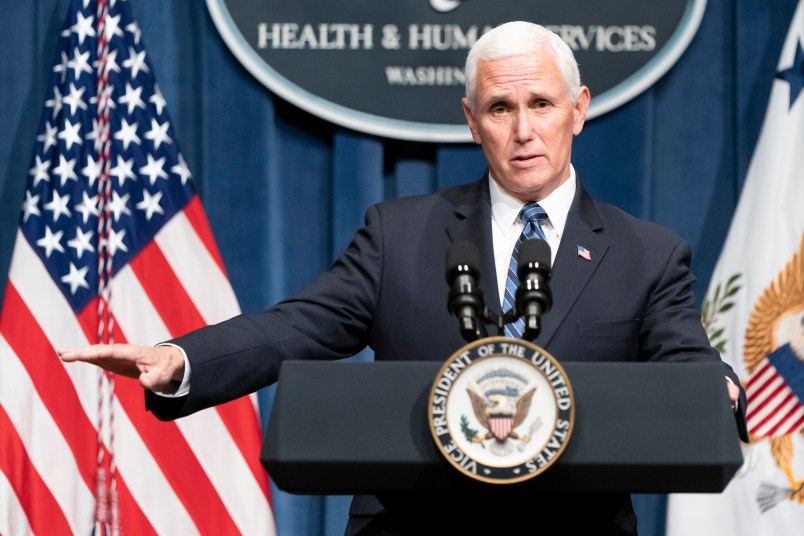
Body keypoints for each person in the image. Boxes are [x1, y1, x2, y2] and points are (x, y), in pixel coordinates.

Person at [59, 21, 746, 535]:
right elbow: (299, 325)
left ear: (579, 108)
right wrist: (180, 358)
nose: (524, 131)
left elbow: (687, 365)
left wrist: (719, 388)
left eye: (541, 104)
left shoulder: (646, 253)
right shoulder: (401, 232)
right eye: (501, 111)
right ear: (472, 121)